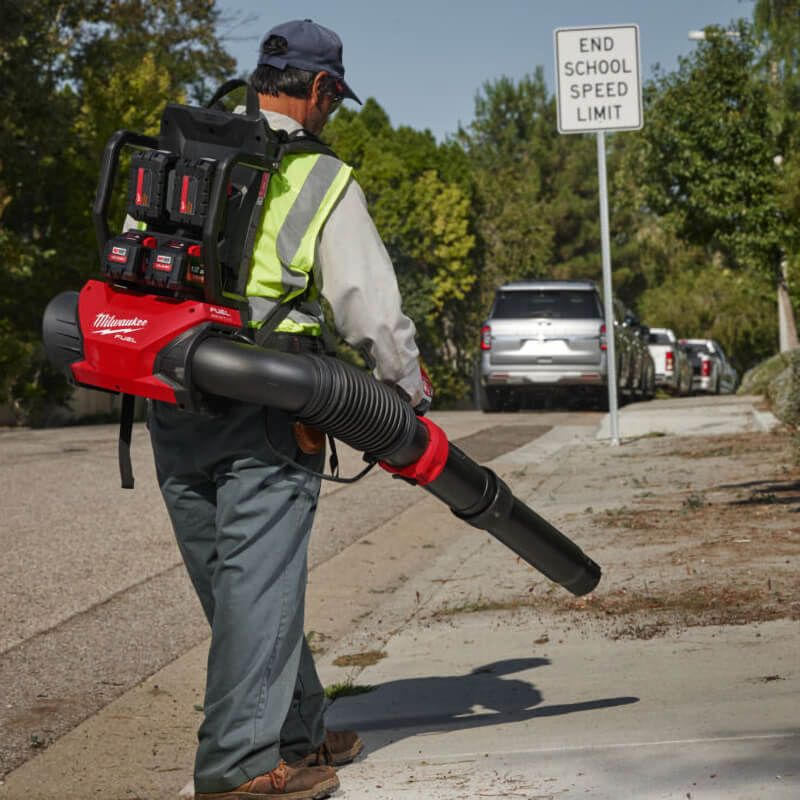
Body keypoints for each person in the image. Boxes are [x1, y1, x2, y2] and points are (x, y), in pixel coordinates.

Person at [147, 18, 429, 800]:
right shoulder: (320, 177)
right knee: (257, 582)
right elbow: (366, 310)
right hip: (268, 405)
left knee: (237, 581)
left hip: (171, 393)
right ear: (318, 89)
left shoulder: (180, 154)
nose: (330, 110)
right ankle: (237, 768)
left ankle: (299, 732)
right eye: (331, 96)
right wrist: (407, 394)